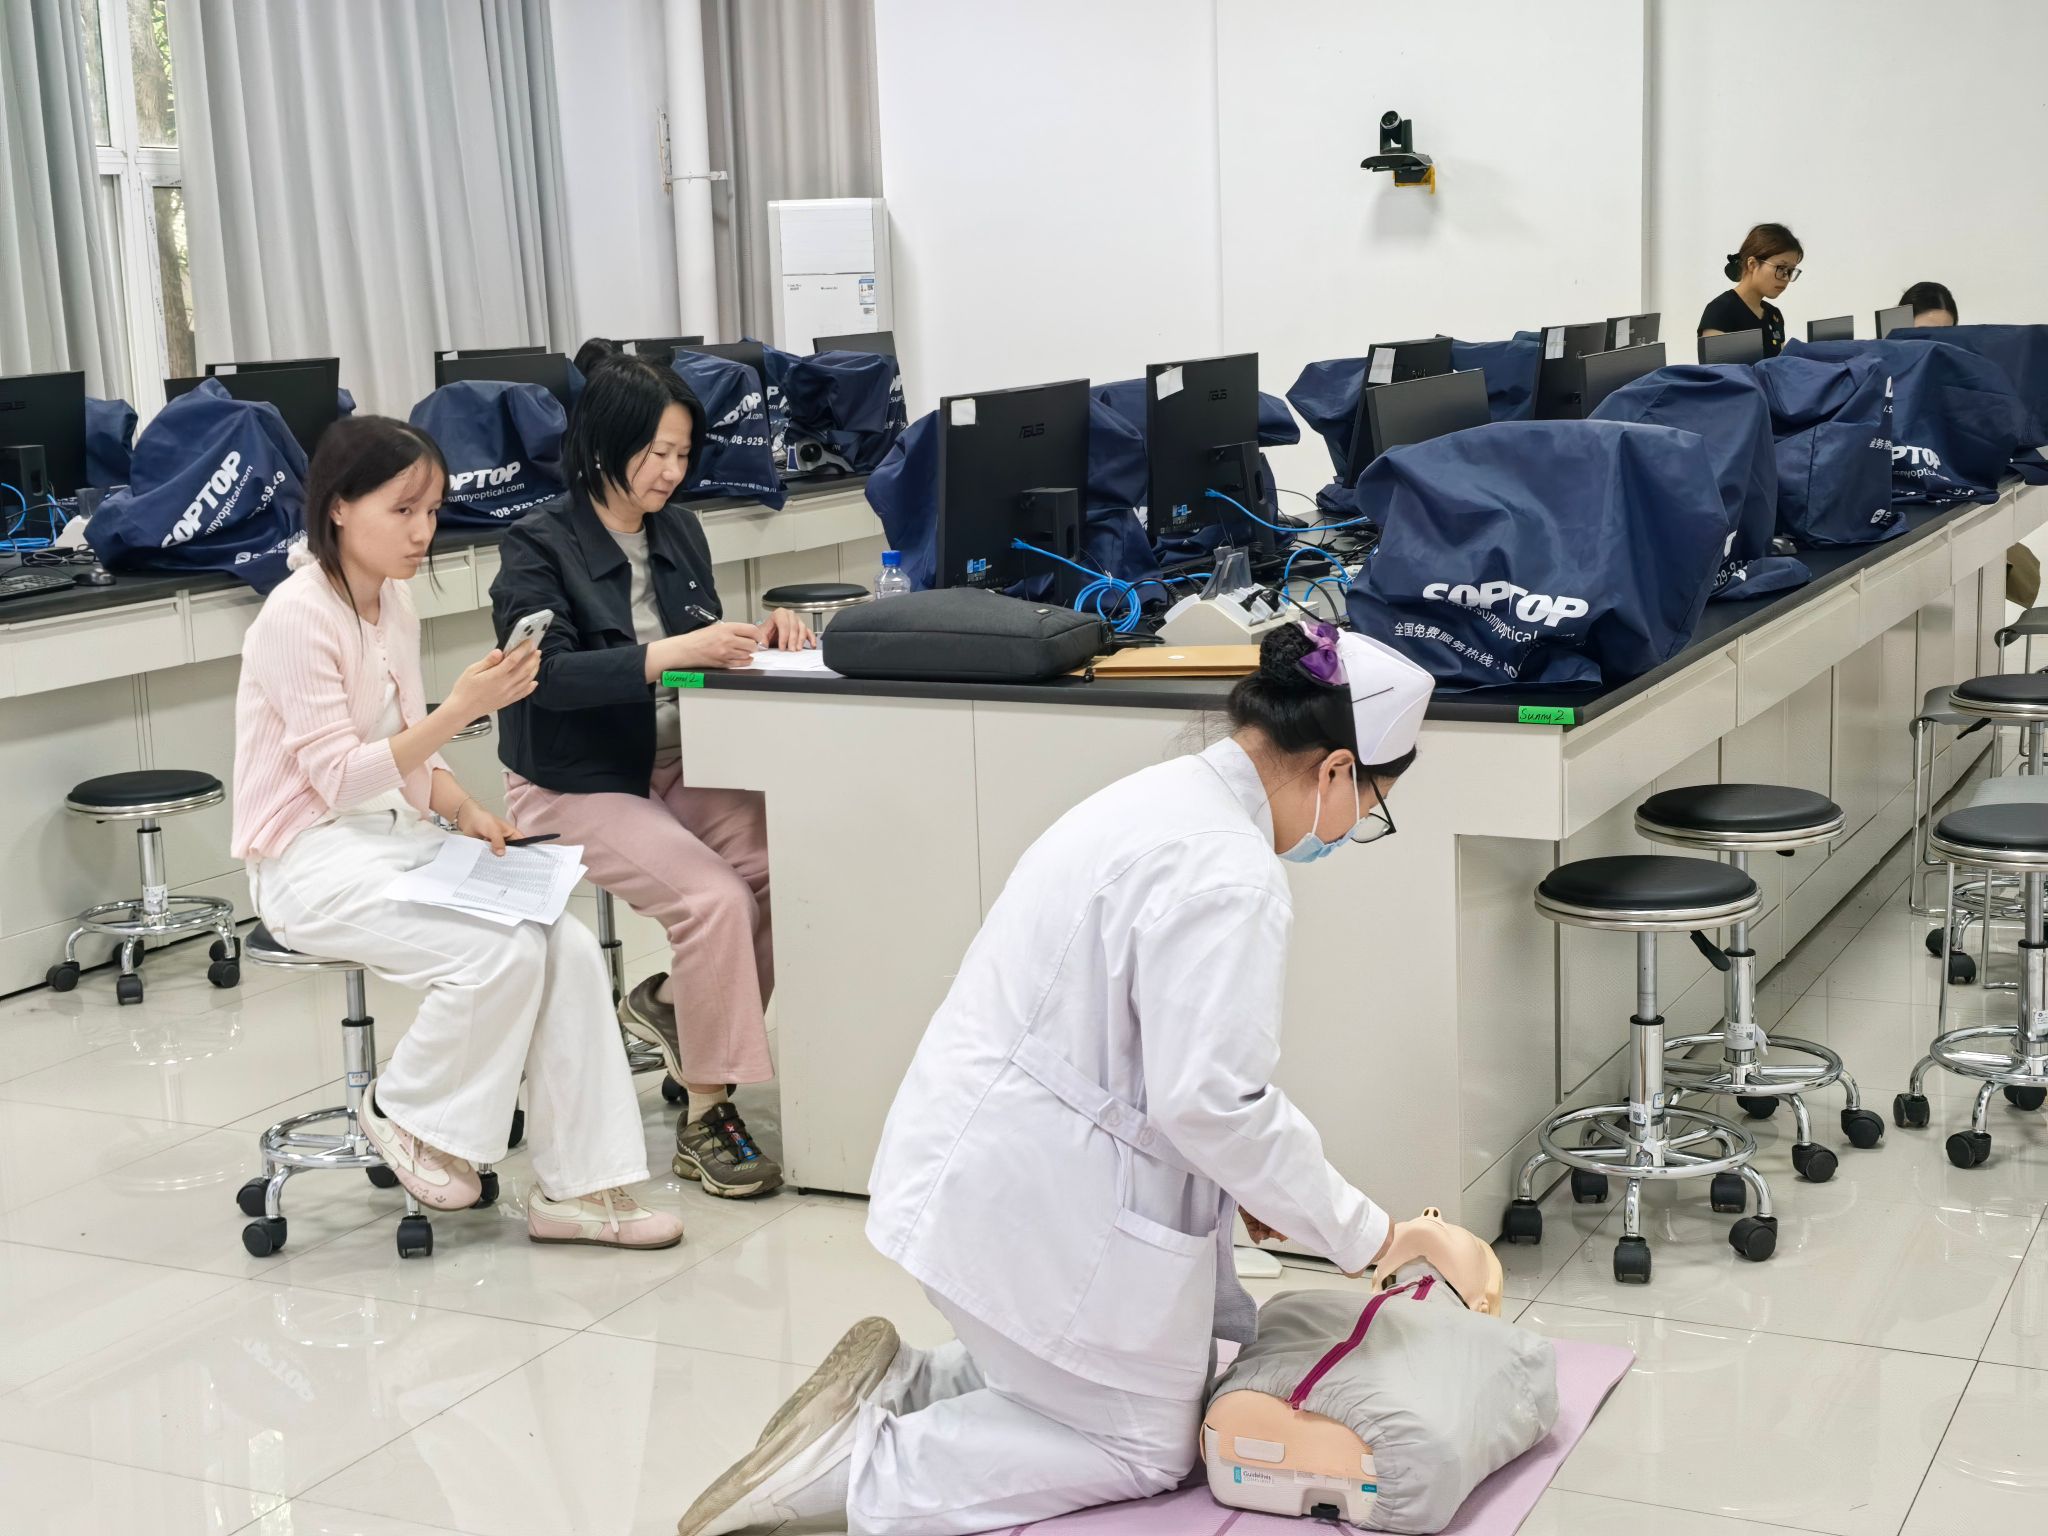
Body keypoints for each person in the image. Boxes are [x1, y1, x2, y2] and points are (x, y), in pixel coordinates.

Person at [680, 621, 1444, 1536]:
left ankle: (912, 1385)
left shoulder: (1165, 795)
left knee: (1103, 1382)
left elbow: (1171, 1067)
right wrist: (1372, 1234)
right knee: (1140, 1446)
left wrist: (1254, 1185)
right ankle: (858, 1470)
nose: (1355, 829)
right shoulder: (1231, 875)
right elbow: (1214, 1103)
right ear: (1335, 771)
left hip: (983, 1141)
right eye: (1372, 806)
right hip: (1033, 1183)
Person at [231, 414, 684, 1251]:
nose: (423, 531)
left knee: (564, 942)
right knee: (498, 952)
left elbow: (403, 752)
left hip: (393, 837)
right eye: (403, 510)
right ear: (338, 508)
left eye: (433, 510)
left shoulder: (391, 602)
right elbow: (340, 778)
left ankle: (582, 1188)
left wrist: (465, 810)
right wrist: (462, 711)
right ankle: (404, 1111)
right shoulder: (296, 617)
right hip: (308, 859)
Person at [490, 353, 813, 1199]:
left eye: (683, 454)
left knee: (786, 871)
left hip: (677, 759)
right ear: (606, 444)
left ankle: (673, 1004)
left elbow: (698, 645)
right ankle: (707, 1113)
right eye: (657, 454)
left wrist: (761, 636)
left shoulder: (680, 530)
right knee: (716, 900)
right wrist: (670, 654)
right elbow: (543, 679)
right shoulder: (536, 545)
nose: (673, 472)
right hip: (576, 780)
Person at [1698, 222, 1803, 359]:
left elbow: (1780, 366)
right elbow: (1715, 370)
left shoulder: (1773, 315)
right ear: (1752, 264)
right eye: (1781, 268)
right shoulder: (1720, 311)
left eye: (1790, 271)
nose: (1786, 278)